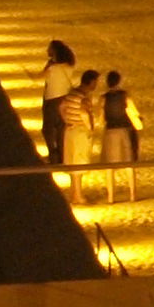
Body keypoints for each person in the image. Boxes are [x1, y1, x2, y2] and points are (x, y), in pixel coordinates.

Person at [59, 70, 106, 208]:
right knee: (79, 162)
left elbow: (61, 107)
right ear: (91, 82)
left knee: (71, 162)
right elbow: (84, 112)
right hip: (80, 131)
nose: (96, 85)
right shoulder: (84, 97)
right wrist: (90, 127)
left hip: (69, 129)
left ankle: (73, 193)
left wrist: (66, 120)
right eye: (96, 82)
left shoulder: (72, 93)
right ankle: (79, 196)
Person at [99, 72, 143, 205]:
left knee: (110, 166)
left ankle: (111, 197)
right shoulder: (125, 96)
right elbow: (132, 112)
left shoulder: (103, 98)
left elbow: (100, 118)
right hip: (124, 130)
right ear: (119, 81)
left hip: (110, 131)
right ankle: (132, 195)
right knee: (128, 163)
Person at [38, 41, 76, 169]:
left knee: (47, 129)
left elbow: (37, 78)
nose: (46, 51)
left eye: (49, 49)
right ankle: (62, 157)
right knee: (61, 129)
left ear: (54, 51)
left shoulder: (52, 68)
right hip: (65, 98)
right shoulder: (69, 66)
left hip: (52, 100)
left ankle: (53, 157)